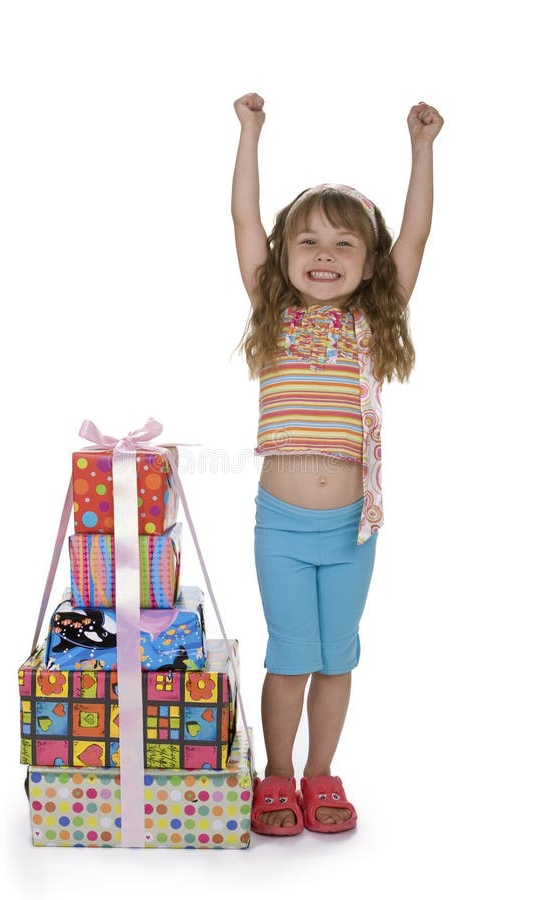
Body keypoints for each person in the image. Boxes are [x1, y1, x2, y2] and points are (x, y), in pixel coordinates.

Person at [231, 92, 443, 835]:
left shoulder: (367, 325)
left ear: (368, 264)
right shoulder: (275, 313)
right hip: (282, 527)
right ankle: (277, 777)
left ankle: (322, 775)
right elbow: (242, 222)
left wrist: (420, 152)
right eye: (308, 243)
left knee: (336, 657)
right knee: (289, 656)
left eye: (344, 244)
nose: (324, 256)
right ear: (284, 258)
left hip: (354, 527)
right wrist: (251, 134)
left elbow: (413, 239)